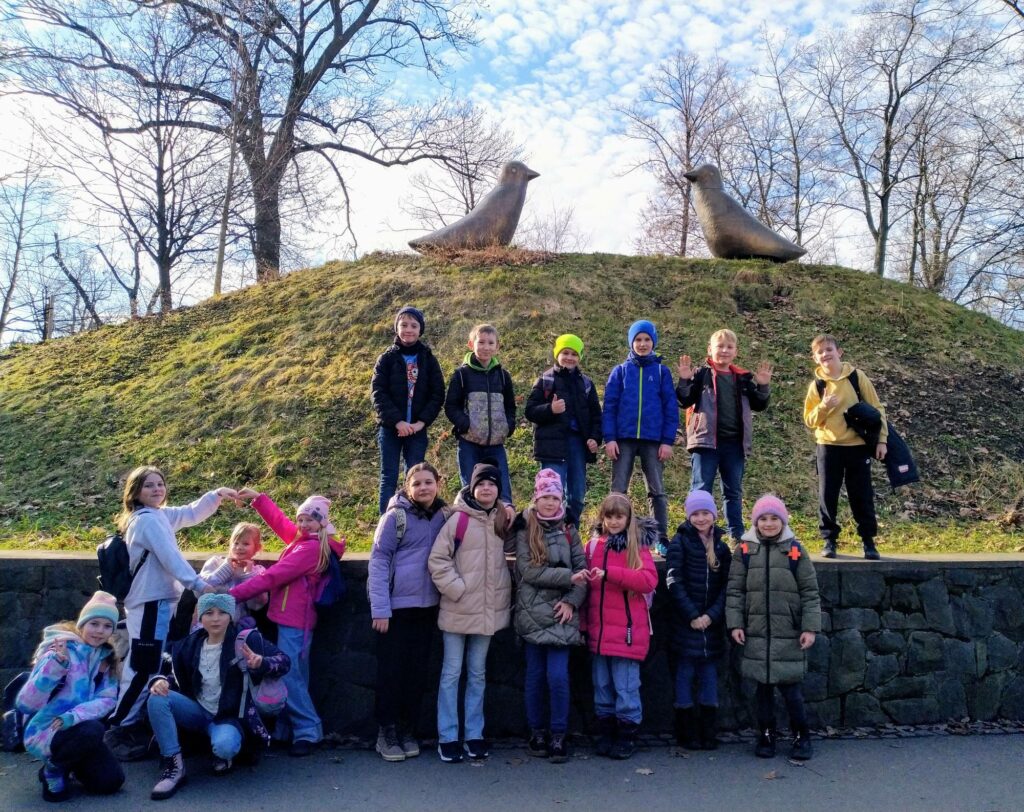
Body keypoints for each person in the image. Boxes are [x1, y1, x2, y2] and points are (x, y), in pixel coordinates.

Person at [106, 465, 238, 760]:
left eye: (160, 484)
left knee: (149, 664)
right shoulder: (146, 521)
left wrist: (217, 495)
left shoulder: (157, 515)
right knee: (144, 666)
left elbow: (189, 513)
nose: (157, 489)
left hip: (157, 601)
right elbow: (170, 557)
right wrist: (199, 585)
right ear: (135, 492)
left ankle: (132, 724)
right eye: (149, 485)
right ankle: (118, 729)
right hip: (150, 603)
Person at [229, 490, 346, 757]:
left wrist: (231, 595)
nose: (302, 525)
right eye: (300, 519)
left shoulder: (310, 549)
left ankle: (308, 730)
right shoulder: (308, 540)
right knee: (296, 675)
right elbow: (282, 524)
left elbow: (272, 577)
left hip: (296, 621)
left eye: (309, 520)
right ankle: (288, 729)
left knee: (289, 675)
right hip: (294, 619)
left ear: (322, 523)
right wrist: (259, 500)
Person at [146, 593, 290, 800]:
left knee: (225, 747)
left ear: (231, 616)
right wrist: (160, 681)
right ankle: (174, 766)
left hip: (228, 717)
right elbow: (171, 672)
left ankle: (222, 751)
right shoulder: (189, 644)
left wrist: (262, 663)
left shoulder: (246, 640)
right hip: (196, 711)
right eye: (209, 613)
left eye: (222, 612)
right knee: (157, 698)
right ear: (200, 617)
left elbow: (284, 661)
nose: (215, 618)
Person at [428, 461, 513, 763]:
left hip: (488, 611)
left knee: (478, 674)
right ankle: (448, 736)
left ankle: (474, 734)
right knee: (451, 674)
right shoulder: (458, 520)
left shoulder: (502, 518)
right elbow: (438, 560)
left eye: (492, 484)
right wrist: (457, 589)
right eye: (481, 484)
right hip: (458, 609)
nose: (486, 488)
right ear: (472, 488)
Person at [726, 495, 821, 761]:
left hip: (788, 633)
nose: (768, 524)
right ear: (756, 522)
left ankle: (801, 735)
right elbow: (735, 591)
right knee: (763, 692)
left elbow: (810, 593)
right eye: (763, 519)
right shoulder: (745, 551)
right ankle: (766, 735)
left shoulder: (795, 551)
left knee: (791, 692)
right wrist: (735, 623)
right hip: (756, 633)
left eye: (774, 518)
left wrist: (810, 628)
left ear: (783, 520)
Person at [368, 462, 447, 762]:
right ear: (407, 487)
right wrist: (380, 609)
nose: (423, 487)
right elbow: (378, 561)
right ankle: (386, 732)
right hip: (395, 610)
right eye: (417, 483)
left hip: (428, 608)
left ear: (438, 484)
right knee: (391, 673)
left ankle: (406, 729)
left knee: (417, 674)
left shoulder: (443, 516)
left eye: (428, 482)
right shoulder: (395, 517)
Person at [17, 591, 125, 803]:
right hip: (46, 729)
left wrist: (74, 716)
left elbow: (108, 699)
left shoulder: (107, 658)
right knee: (93, 729)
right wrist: (54, 667)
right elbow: (26, 704)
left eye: (107, 626)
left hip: (79, 728)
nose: (99, 631)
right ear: (82, 624)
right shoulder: (59, 651)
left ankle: (66, 764)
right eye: (94, 623)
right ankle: (54, 770)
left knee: (111, 782)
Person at [513, 469, 588, 763]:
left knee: (557, 677)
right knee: (535, 677)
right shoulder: (525, 528)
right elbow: (528, 571)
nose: (549, 502)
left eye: (555, 497)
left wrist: (571, 602)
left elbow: (583, 571)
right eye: (545, 496)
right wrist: (568, 577)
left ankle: (558, 733)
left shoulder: (569, 529)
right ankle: (537, 732)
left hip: (561, 614)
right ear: (536, 497)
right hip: (533, 613)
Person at [581, 493, 658, 760]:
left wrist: (611, 575)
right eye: (609, 516)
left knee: (625, 687)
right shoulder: (592, 547)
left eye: (619, 517)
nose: (614, 522)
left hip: (626, 632)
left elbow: (648, 581)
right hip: (599, 631)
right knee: (601, 685)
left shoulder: (636, 547)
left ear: (628, 519)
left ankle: (627, 734)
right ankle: (606, 731)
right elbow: (586, 592)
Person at [676, 328, 772, 541]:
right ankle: (695, 535)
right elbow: (685, 400)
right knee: (701, 489)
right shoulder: (701, 375)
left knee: (733, 491)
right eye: (720, 346)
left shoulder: (742, 378)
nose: (725, 350)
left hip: (734, 444)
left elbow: (758, 404)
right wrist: (684, 381)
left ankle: (735, 534)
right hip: (705, 442)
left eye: (729, 347)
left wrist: (763, 386)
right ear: (710, 350)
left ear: (736, 352)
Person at [802, 333, 888, 559]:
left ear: (839, 352)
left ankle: (868, 541)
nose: (825, 354)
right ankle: (829, 540)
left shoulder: (857, 377)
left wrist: (882, 440)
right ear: (815, 358)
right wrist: (823, 406)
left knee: (861, 495)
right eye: (820, 352)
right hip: (828, 447)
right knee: (827, 496)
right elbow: (810, 420)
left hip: (858, 446)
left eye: (829, 349)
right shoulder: (817, 385)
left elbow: (877, 408)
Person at [664, 490, 731, 751]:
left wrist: (711, 616)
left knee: (709, 678)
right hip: (686, 625)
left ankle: (708, 730)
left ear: (713, 515)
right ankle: (686, 730)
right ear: (688, 516)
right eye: (696, 514)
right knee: (684, 676)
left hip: (711, 627)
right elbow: (674, 581)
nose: (701, 518)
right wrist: (692, 615)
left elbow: (727, 586)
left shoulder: (722, 548)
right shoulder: (680, 542)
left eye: (705, 513)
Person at [602, 319, 679, 545]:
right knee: (618, 489)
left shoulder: (662, 372)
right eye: (638, 339)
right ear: (631, 342)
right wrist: (610, 438)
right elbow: (609, 407)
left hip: (653, 440)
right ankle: (615, 536)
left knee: (657, 490)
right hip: (623, 439)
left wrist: (667, 441)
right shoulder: (620, 372)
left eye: (647, 339)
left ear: (653, 342)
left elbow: (670, 408)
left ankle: (660, 538)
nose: (642, 344)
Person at [371, 306, 446, 514]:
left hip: (417, 430)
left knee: (415, 477)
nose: (409, 330)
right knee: (389, 477)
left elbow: (437, 393)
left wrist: (421, 422)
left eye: (414, 326)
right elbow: (378, 393)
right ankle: (386, 522)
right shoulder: (386, 359)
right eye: (404, 325)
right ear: (397, 328)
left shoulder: (428, 359)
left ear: (420, 330)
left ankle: (413, 520)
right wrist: (397, 421)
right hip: (391, 429)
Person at [524, 334, 602, 524]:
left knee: (577, 495)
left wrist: (595, 438)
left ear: (580, 357)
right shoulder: (545, 380)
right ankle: (548, 532)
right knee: (550, 494)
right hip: (552, 445)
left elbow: (596, 416)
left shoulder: (586, 384)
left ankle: (571, 532)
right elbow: (530, 411)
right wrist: (550, 409)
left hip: (578, 445)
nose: (569, 357)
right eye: (565, 352)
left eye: (574, 354)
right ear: (557, 354)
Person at [444, 323, 517, 507]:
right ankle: (470, 522)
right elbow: (451, 406)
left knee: (502, 492)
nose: (486, 347)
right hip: (469, 443)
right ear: (471, 344)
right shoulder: (461, 375)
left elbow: (510, 406)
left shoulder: (503, 376)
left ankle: (503, 522)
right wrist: (466, 424)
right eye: (481, 342)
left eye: (490, 343)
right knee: (470, 489)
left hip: (496, 444)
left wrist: (508, 426)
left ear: (497, 346)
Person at [197, 522, 268, 627]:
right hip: (210, 624)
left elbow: (257, 605)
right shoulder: (216, 562)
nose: (239, 547)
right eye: (236, 543)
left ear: (257, 548)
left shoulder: (258, 572)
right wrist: (225, 569)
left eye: (245, 544)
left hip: (237, 626)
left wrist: (247, 576)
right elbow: (199, 589)